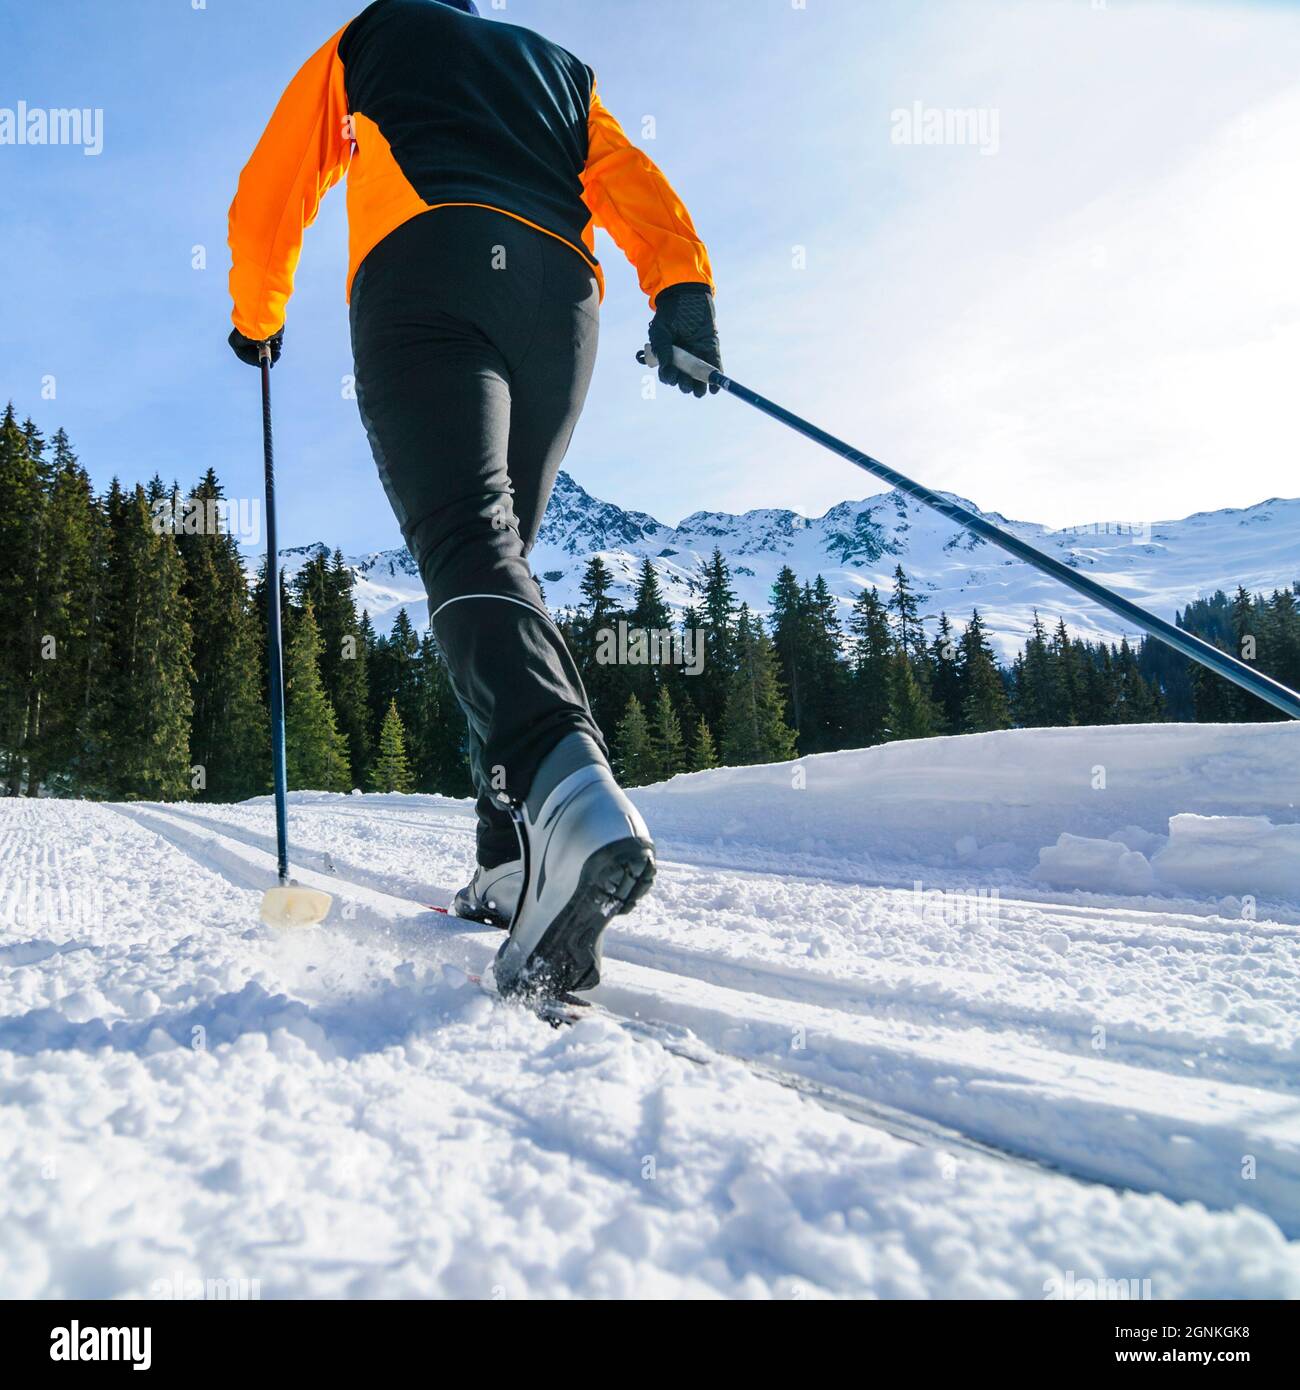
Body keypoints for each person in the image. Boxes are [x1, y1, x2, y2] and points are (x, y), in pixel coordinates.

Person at [226, 0, 722, 997]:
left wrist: (257, 311)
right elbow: (630, 179)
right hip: (559, 303)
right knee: (498, 561)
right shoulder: (558, 67)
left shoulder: (376, 33)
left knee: (468, 540)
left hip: (429, 260)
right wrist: (682, 290)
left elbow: (278, 177)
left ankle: (563, 786)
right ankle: (507, 856)